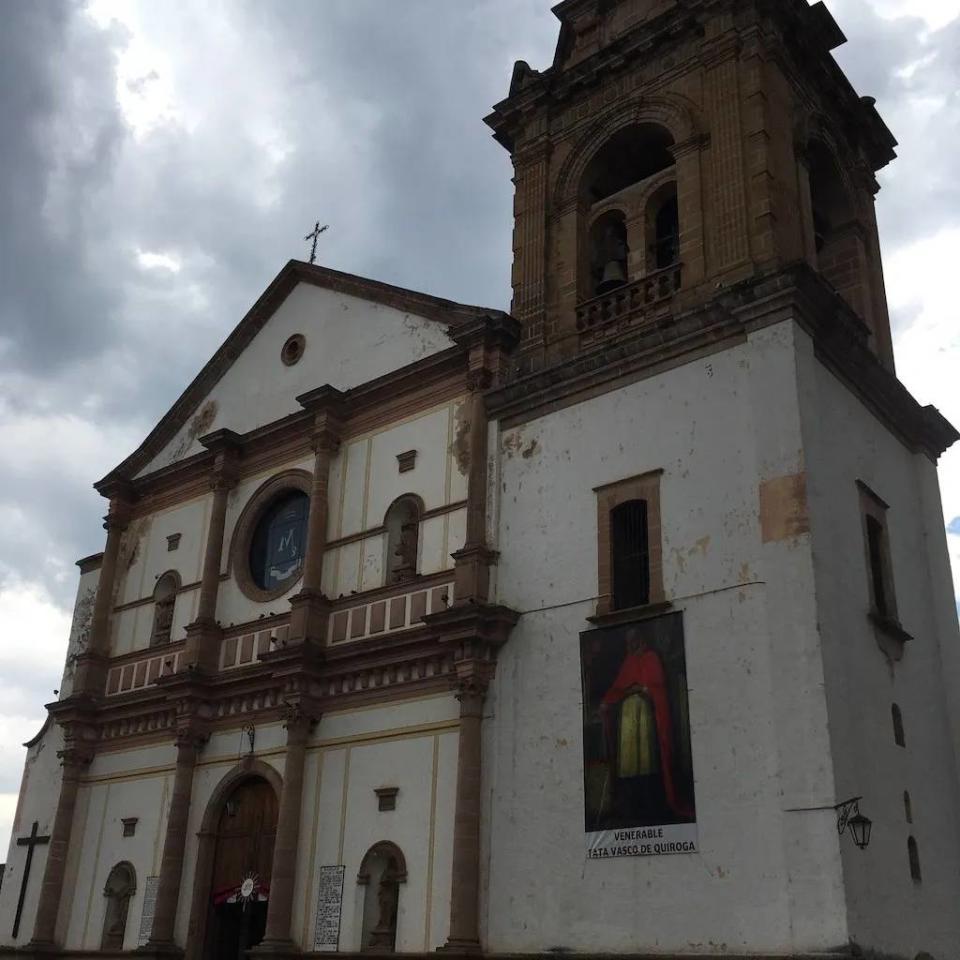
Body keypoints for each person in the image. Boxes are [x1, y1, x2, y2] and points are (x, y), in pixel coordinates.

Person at [600, 628, 688, 822]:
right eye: (628, 642)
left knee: (646, 760)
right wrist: (609, 700)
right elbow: (619, 686)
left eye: (633, 641)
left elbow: (655, 687)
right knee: (630, 763)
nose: (630, 645)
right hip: (627, 718)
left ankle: (651, 804)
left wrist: (639, 688)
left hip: (645, 716)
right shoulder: (629, 661)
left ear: (641, 640)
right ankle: (632, 805)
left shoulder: (651, 658)